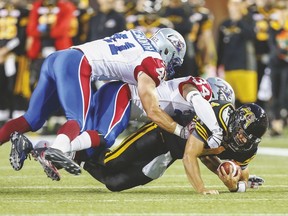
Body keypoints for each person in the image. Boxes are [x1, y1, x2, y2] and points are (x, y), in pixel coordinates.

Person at [9, 76, 229, 178]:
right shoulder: (199, 92)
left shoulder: (196, 113)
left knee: (88, 149)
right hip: (123, 95)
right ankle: (53, 150)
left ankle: (34, 147)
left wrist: (224, 170)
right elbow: (196, 102)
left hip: (119, 97)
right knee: (104, 137)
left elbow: (198, 148)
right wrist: (215, 132)